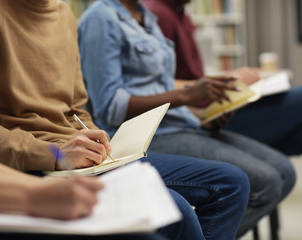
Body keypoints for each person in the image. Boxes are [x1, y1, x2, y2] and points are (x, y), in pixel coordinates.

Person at [0, 0, 250, 239]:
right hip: (34, 159)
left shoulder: (64, 12)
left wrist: (94, 134)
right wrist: (54, 153)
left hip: (80, 156)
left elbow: (76, 106)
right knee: (172, 209)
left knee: (232, 182)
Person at [77, 0, 296, 237]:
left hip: (180, 123)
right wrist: (186, 95)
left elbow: (159, 86)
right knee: (262, 181)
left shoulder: (145, 17)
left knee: (285, 172)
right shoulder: (100, 18)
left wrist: (202, 115)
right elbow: (109, 107)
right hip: (146, 135)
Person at [143, 0, 302, 156]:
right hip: (205, 113)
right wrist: (220, 81)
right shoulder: (157, 13)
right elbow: (152, 85)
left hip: (214, 108)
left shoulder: (180, 13)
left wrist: (227, 78)